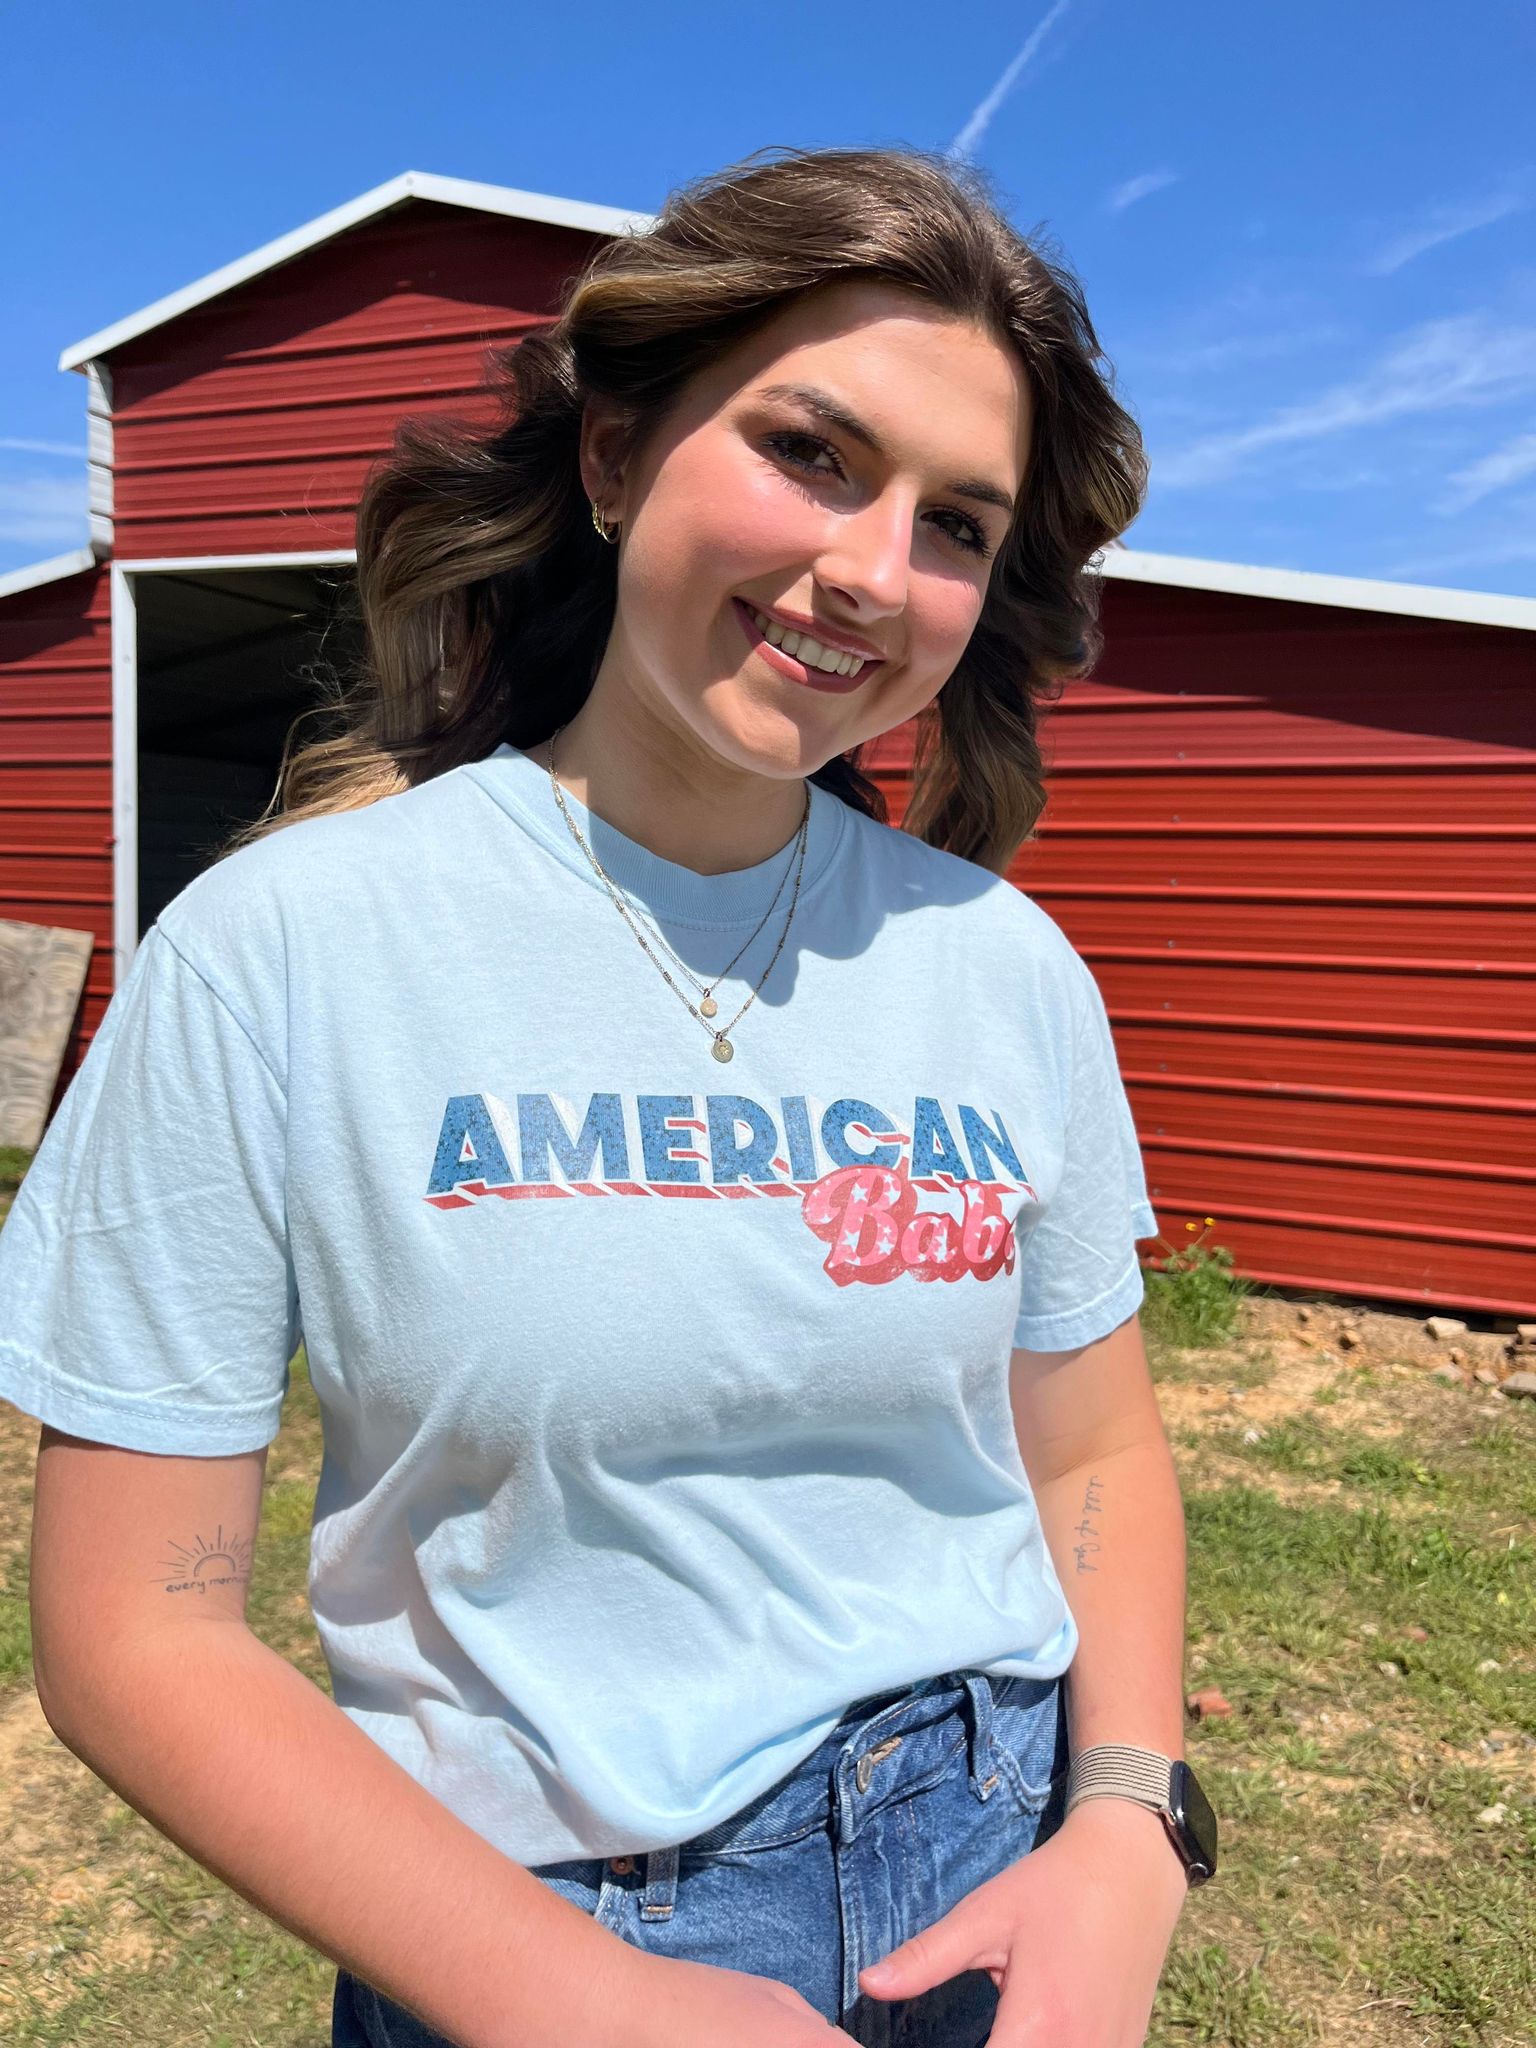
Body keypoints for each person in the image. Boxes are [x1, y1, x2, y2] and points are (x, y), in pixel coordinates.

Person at [3, 143, 1196, 2048]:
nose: (874, 571)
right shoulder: (283, 952)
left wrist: (1129, 1829)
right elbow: (134, 1634)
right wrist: (589, 2006)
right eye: (813, 451)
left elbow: (1094, 1457)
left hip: (994, 1884)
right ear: (616, 454)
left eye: (959, 524)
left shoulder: (1000, 967)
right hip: (538, 1942)